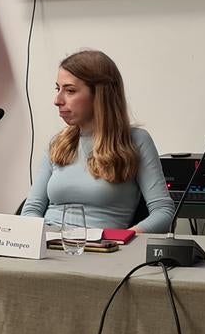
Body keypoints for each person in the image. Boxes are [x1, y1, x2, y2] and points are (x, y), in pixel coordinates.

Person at [21, 50, 174, 233]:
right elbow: (31, 210)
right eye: (58, 89)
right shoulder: (58, 143)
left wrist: (123, 238)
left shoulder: (135, 140)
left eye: (70, 91)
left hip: (102, 249)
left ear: (100, 95)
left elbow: (163, 212)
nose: (57, 100)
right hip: (49, 244)